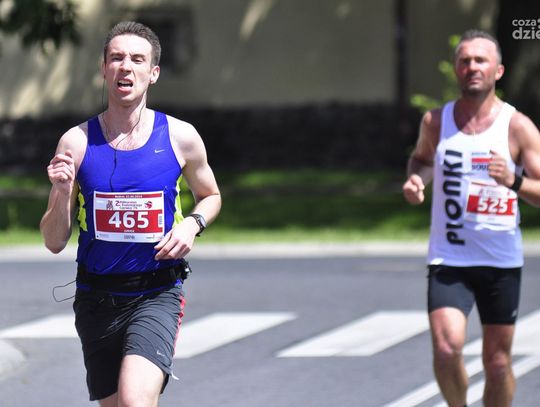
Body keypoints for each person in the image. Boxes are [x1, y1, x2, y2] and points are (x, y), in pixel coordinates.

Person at [40, 21, 221, 406]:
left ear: (153, 73)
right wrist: (61, 191)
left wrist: (192, 224)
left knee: (134, 401)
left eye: (137, 59)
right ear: (104, 69)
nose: (126, 66)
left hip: (157, 292)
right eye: (117, 58)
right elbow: (54, 241)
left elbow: (211, 196)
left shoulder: (180, 136)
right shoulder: (76, 142)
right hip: (96, 298)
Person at [402, 29, 540, 407]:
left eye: (481, 60)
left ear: (498, 71)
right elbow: (422, 159)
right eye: (465, 61)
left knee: (497, 363)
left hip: (500, 260)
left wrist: (513, 180)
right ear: (457, 70)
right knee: (447, 349)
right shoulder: (436, 121)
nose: (472, 67)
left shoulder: (517, 127)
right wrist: (417, 179)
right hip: (450, 257)